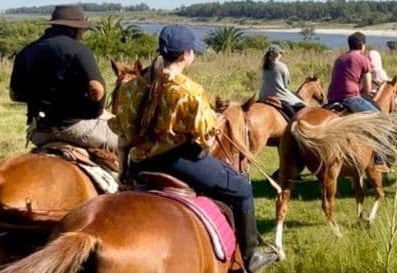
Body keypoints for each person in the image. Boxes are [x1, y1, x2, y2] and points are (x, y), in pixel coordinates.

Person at [110, 25, 278, 272]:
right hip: (179, 162)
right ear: (185, 54)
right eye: (193, 51)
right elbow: (207, 142)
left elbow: (123, 138)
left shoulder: (130, 87)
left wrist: (123, 171)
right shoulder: (190, 91)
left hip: (138, 163)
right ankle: (251, 255)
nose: (193, 55)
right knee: (242, 188)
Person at [10, 5, 120, 153]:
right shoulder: (79, 50)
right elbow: (96, 89)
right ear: (74, 29)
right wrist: (97, 111)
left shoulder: (26, 52)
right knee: (127, 143)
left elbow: (15, 94)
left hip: (39, 132)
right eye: (81, 29)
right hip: (75, 128)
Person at [326, 32, 390, 172]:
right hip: (350, 98)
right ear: (362, 45)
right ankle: (380, 159)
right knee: (381, 120)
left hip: (331, 98)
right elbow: (367, 89)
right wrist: (363, 90)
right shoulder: (363, 59)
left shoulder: (339, 59)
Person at [259, 44, 306, 116]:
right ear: (277, 54)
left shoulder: (265, 67)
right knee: (302, 105)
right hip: (278, 95)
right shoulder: (282, 66)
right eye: (280, 53)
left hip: (263, 95)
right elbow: (286, 84)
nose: (281, 55)